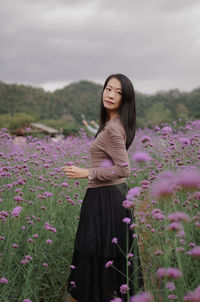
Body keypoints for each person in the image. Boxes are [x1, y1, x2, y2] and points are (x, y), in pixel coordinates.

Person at [62, 74, 143, 302]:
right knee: (105, 260)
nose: (111, 95)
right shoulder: (111, 124)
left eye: (118, 92)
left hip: (105, 201)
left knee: (97, 257)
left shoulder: (113, 129)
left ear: (125, 99)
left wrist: (88, 172)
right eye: (109, 89)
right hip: (108, 197)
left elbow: (124, 169)